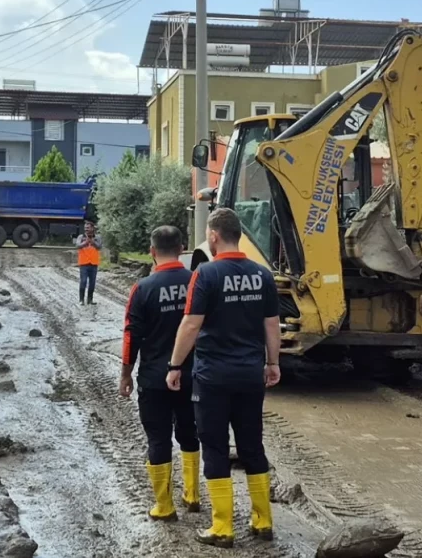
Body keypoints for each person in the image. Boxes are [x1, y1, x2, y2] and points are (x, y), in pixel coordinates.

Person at [167, 207, 281, 548]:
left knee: (215, 447)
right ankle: (263, 521)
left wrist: (175, 365)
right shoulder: (263, 275)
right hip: (249, 375)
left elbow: (191, 324)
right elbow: (272, 324)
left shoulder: (206, 274)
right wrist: (272, 362)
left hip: (212, 377)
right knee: (252, 446)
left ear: (214, 236)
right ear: (239, 235)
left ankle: (222, 527)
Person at [120, 225, 200, 522]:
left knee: (158, 439)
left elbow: (131, 336)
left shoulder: (142, 289)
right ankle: (192, 495)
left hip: (154, 379)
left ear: (152, 251)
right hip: (192, 376)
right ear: (181, 248)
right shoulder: (197, 282)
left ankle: (164, 506)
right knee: (190, 432)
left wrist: (125, 374)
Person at [76, 221, 102, 305]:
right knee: (83, 281)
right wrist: (86, 242)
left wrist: (92, 242)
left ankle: (90, 300)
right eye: (85, 228)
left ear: (92, 228)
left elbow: (99, 247)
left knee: (92, 283)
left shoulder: (97, 237)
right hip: (84, 263)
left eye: (88, 228)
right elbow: (78, 245)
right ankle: (81, 300)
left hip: (94, 263)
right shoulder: (81, 237)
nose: (86, 229)